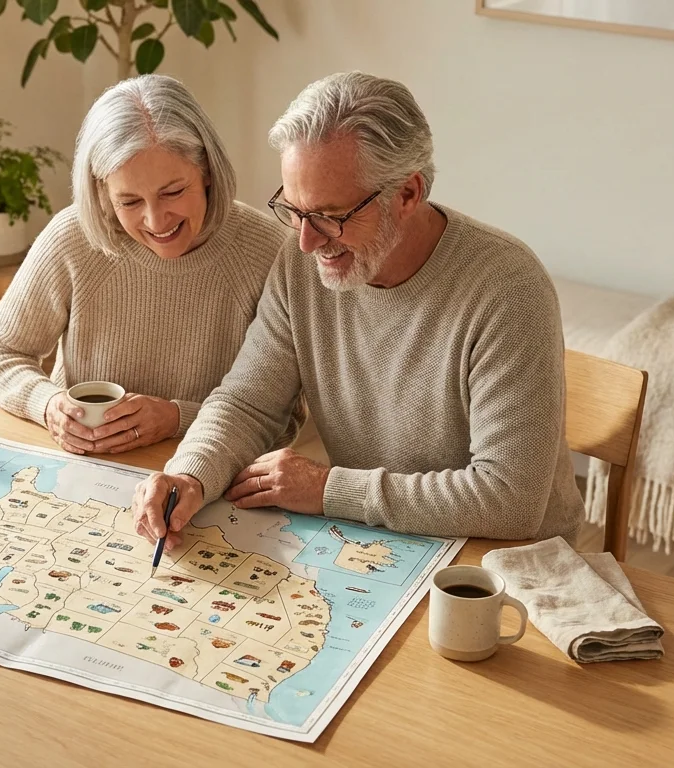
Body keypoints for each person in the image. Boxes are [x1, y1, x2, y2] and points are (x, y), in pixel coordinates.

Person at [132, 72, 584, 550]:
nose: (306, 241)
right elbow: (249, 403)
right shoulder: (302, 259)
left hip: (507, 562)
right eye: (294, 210)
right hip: (381, 543)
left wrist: (330, 489)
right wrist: (189, 475)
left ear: (408, 194)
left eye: (330, 216)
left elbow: (509, 499)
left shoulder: (509, 289)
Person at [0, 74, 299, 455]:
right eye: (129, 202)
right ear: (101, 191)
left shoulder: (267, 252)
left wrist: (178, 418)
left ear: (207, 171)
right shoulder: (73, 238)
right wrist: (47, 405)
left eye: (173, 192)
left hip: (202, 480)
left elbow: (285, 418)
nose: (156, 221)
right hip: (83, 470)